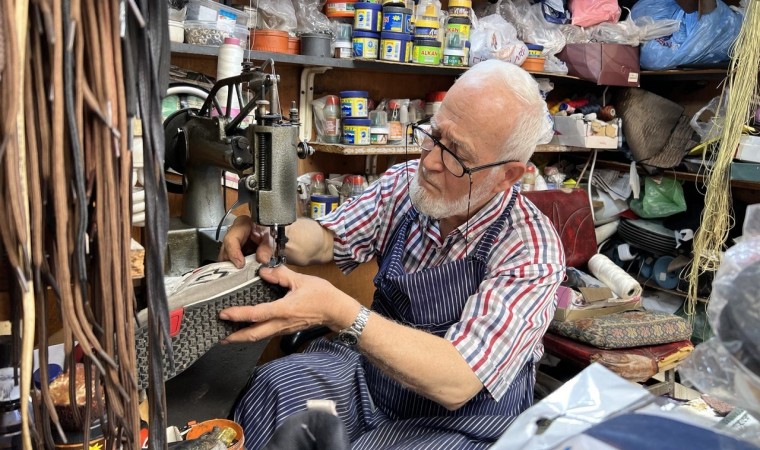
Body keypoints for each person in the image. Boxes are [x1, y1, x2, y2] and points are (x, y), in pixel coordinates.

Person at [217, 59, 565, 450]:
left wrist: (340, 312)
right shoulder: (407, 186)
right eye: (434, 134)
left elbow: (458, 380)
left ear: (507, 175)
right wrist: (270, 229)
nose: (429, 162)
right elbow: (327, 240)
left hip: (460, 421)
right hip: (375, 382)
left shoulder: (530, 250)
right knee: (276, 388)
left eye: (456, 154)